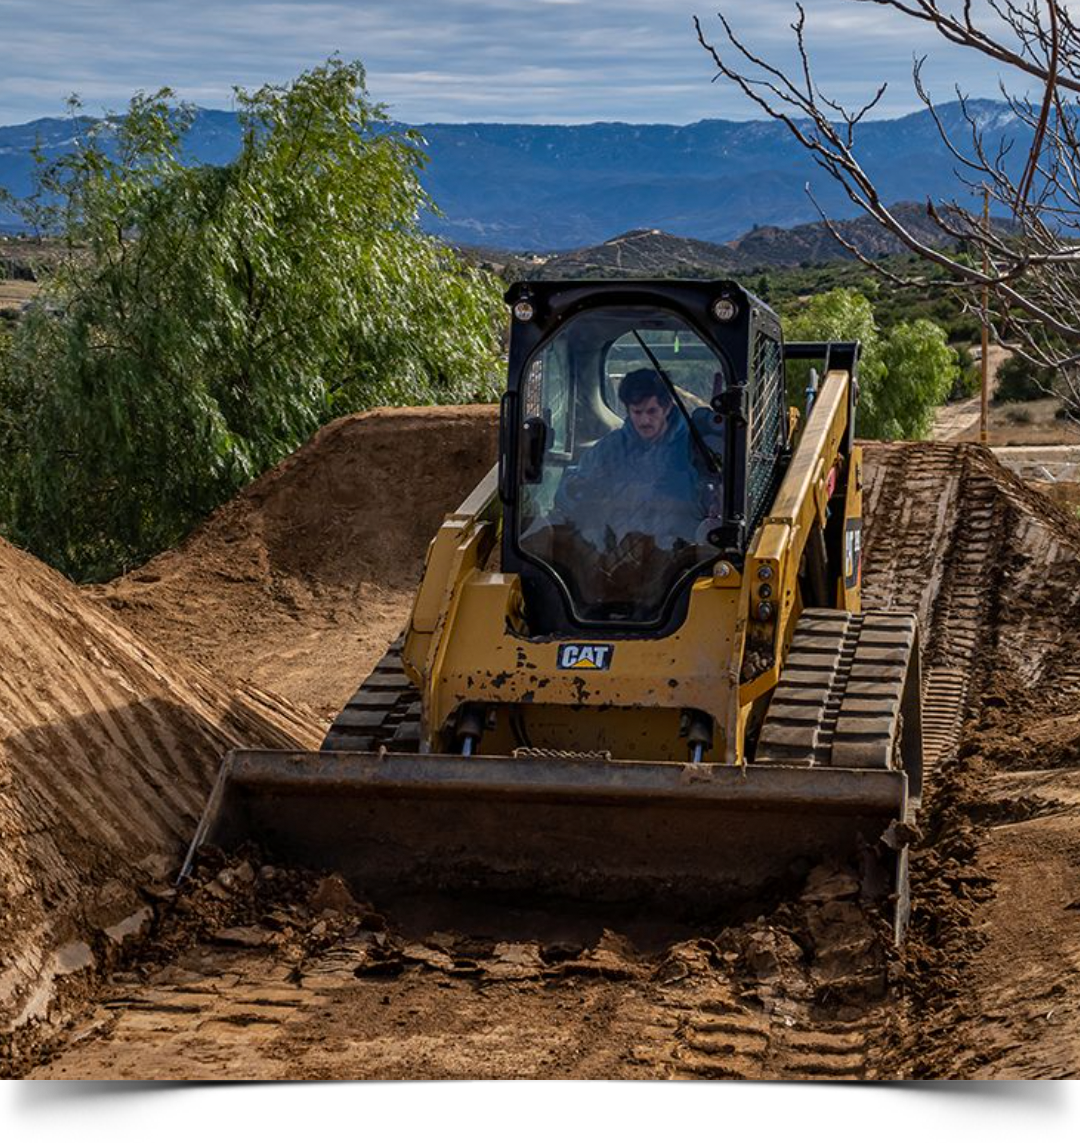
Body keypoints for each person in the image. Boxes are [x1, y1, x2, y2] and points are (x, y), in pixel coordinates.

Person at [554, 367, 703, 546]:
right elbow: (568, 494)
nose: (644, 421)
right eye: (637, 412)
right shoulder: (609, 450)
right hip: (618, 555)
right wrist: (574, 491)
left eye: (652, 411)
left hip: (679, 558)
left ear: (668, 407)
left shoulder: (694, 448)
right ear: (628, 410)